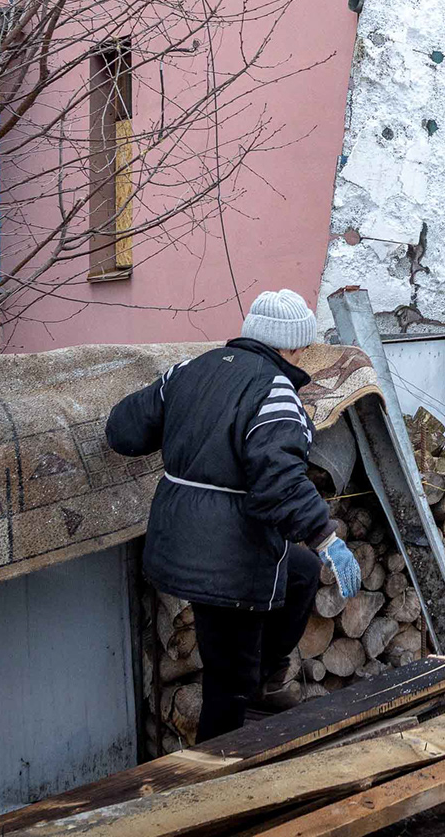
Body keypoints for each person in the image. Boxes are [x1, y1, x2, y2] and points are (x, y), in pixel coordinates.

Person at [106, 288, 362, 741]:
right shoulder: (275, 391)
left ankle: (266, 677)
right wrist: (326, 538)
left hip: (178, 539)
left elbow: (123, 431)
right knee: (228, 684)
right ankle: (213, 785)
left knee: (299, 575)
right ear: (291, 345)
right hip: (231, 557)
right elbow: (278, 482)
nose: (303, 354)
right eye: (302, 345)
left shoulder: (189, 370)